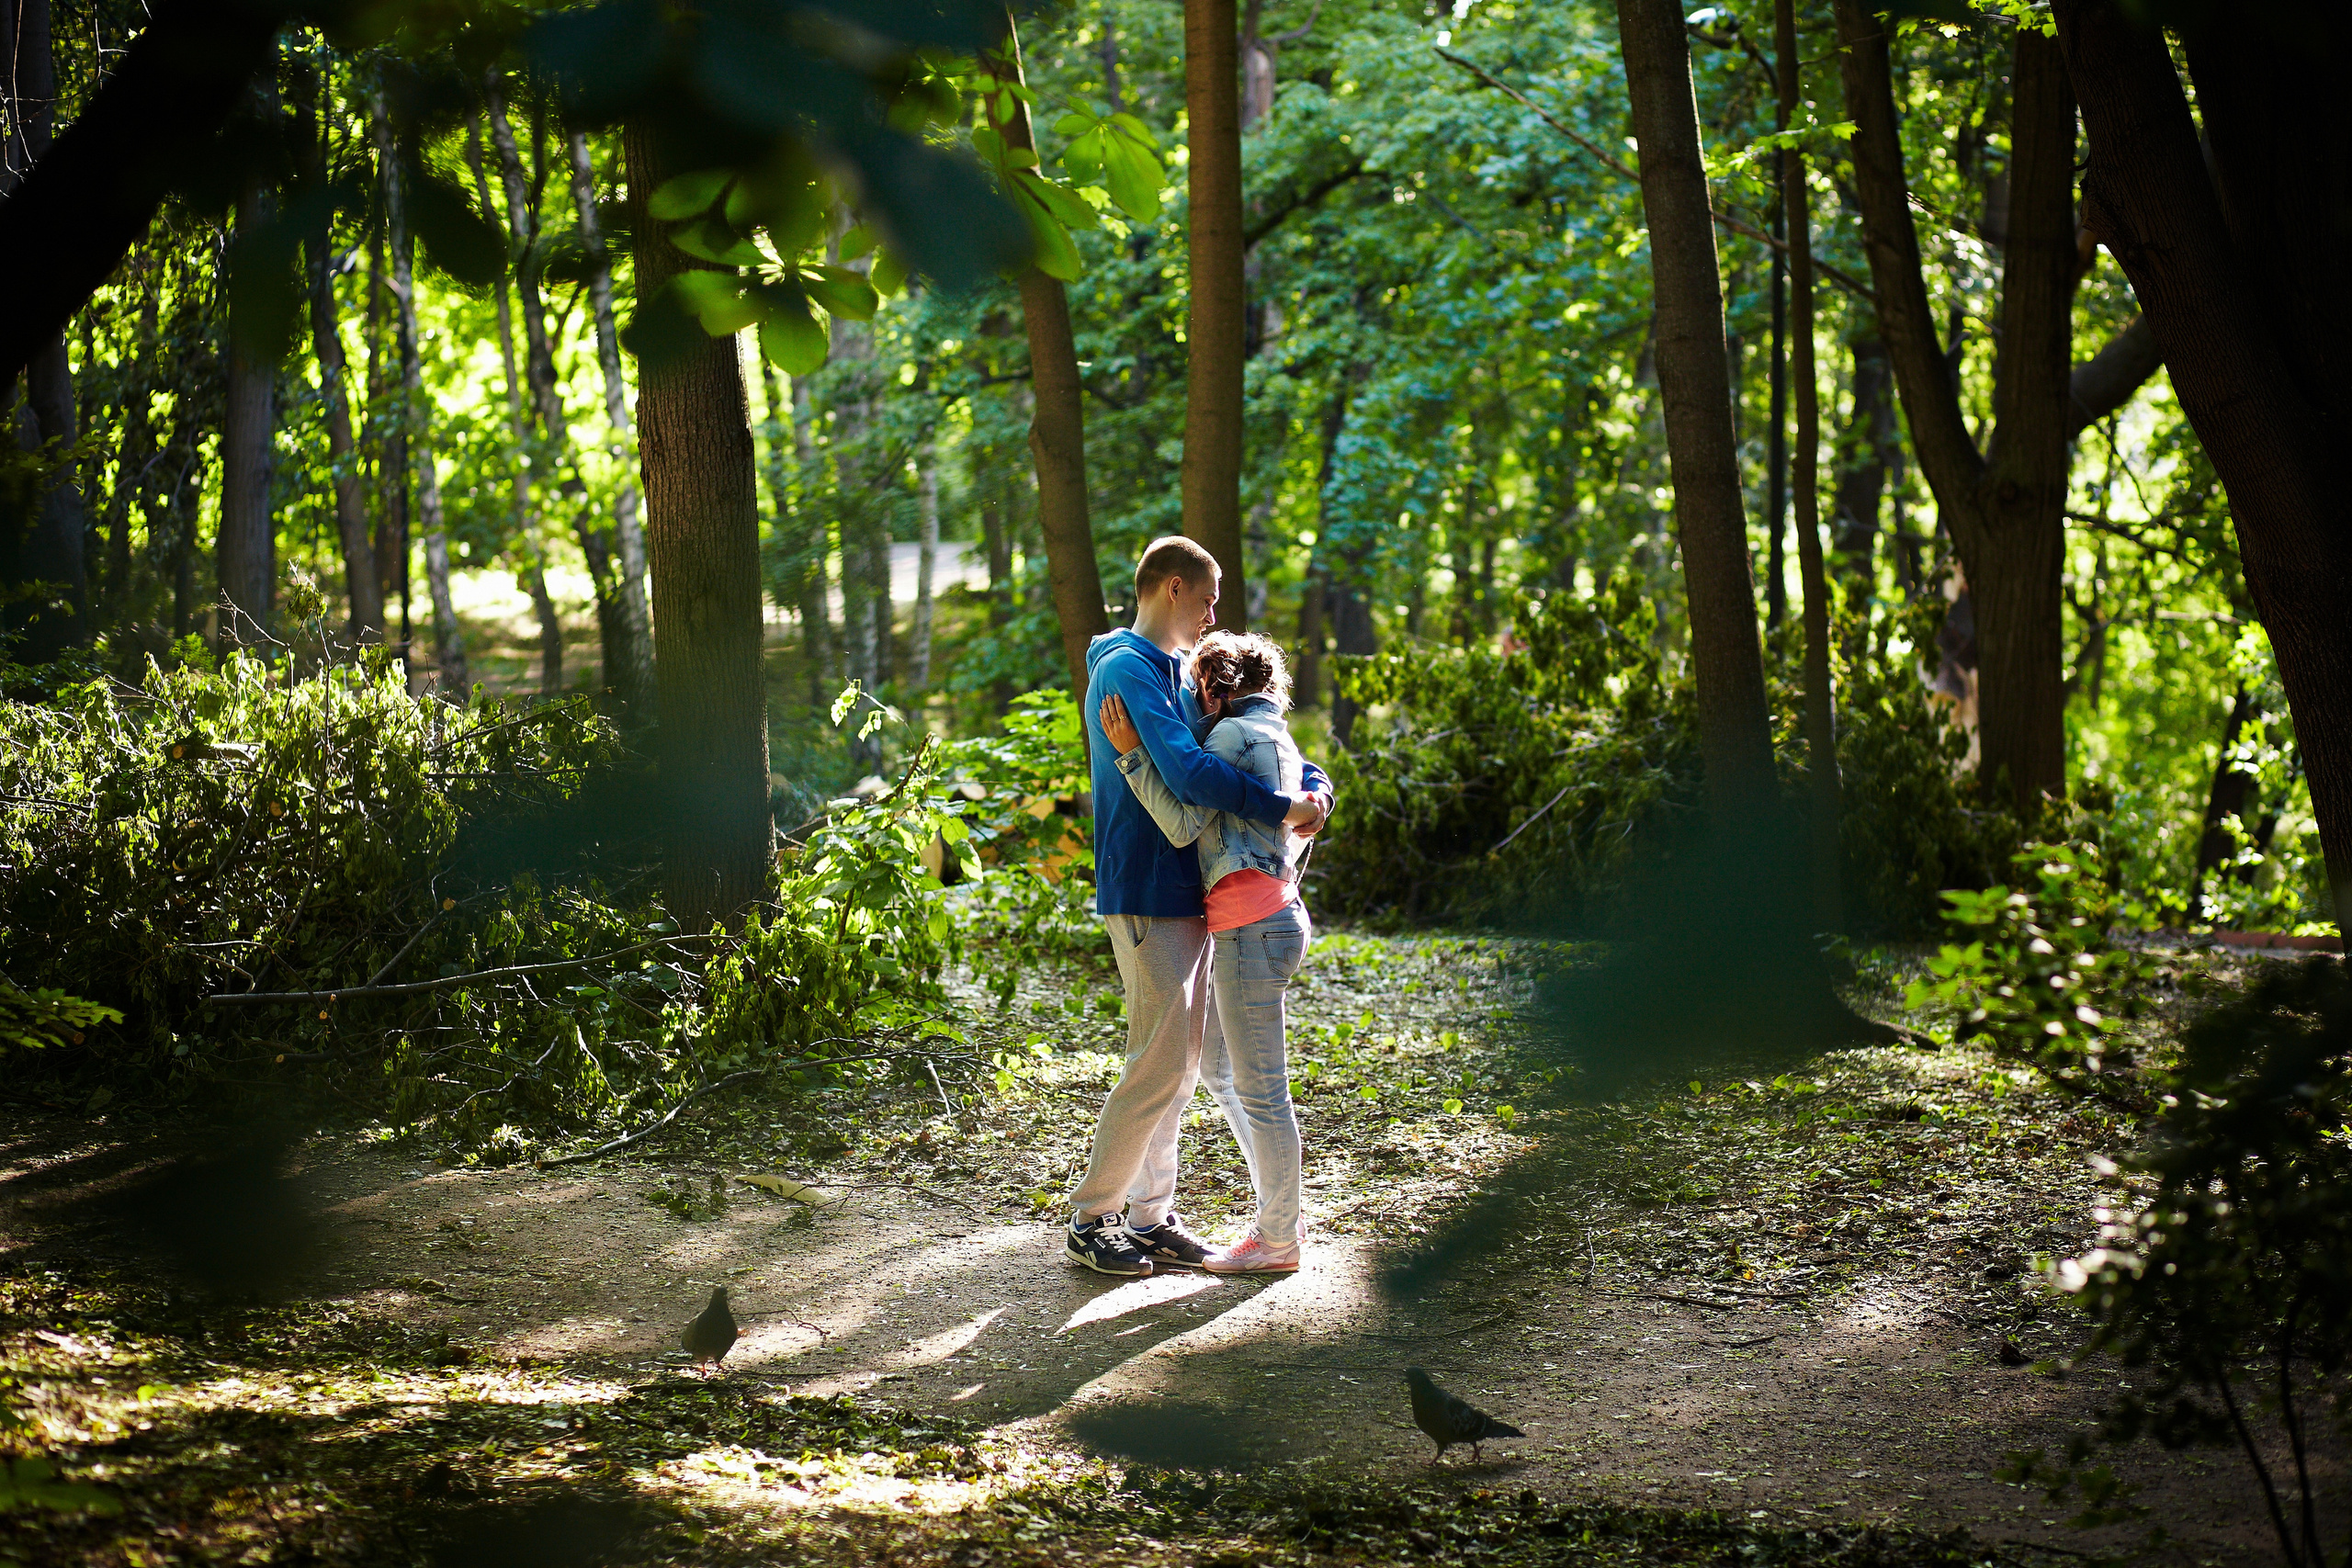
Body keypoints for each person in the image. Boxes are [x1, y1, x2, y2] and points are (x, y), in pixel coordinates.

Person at [1067, 538, 1331, 1278]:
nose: (1217, 613)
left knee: (1179, 1065)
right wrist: (1283, 806)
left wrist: (1316, 790)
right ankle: (1094, 1215)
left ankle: (1150, 1217)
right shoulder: (1127, 668)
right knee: (1159, 1061)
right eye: (1210, 598)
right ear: (1174, 588)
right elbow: (1187, 772)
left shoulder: (1178, 673)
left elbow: (1251, 740)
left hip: (1197, 894)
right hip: (1148, 887)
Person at [1100, 630, 1313, 1273]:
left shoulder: (1226, 737)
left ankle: (1278, 1237)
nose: (1196, 700)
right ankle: (1283, 1214)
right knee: (1221, 1072)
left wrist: (1134, 756)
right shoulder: (1278, 735)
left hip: (1251, 929)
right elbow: (1298, 803)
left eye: (1200, 690)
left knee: (1262, 1089)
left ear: (1217, 689)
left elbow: (1185, 822)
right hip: (1265, 921)